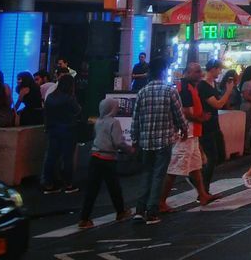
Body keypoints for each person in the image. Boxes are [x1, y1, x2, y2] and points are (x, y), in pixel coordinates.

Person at [131, 59, 189, 224]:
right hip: (163, 140)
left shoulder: (142, 92)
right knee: (158, 175)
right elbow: (179, 114)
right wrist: (184, 129)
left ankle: (140, 210)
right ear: (163, 72)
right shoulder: (169, 91)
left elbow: (136, 118)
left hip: (145, 140)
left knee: (147, 173)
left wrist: (135, 140)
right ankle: (152, 211)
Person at [163, 63, 216, 210]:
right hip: (186, 132)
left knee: (195, 165)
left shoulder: (190, 87)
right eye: (197, 72)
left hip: (193, 133)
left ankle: (203, 194)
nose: (200, 74)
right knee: (175, 167)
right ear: (187, 73)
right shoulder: (185, 88)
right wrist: (202, 119)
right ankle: (161, 201)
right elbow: (185, 113)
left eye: (200, 71)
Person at [78, 97, 134, 228]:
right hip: (108, 158)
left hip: (95, 156)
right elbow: (118, 142)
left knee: (92, 189)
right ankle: (120, 212)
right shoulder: (114, 123)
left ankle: (84, 218)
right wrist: (129, 149)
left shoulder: (98, 121)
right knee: (114, 188)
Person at [41, 74, 80, 193]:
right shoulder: (69, 98)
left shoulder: (50, 97)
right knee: (67, 158)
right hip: (68, 130)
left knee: (51, 157)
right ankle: (68, 184)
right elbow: (77, 110)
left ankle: (48, 184)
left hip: (53, 130)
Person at [198, 60, 233, 187]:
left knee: (221, 155)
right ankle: (202, 186)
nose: (220, 72)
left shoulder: (213, 84)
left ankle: (200, 180)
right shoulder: (203, 86)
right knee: (212, 157)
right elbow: (217, 104)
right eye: (219, 69)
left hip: (214, 124)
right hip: (206, 125)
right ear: (212, 69)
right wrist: (228, 92)